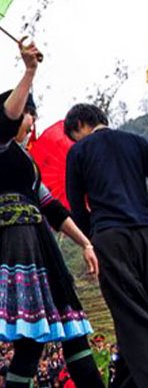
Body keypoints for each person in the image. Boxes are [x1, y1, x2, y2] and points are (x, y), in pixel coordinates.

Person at [0, 40, 104, 388]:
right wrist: (28, 72)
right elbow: (4, 122)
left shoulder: (27, 165)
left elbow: (52, 208)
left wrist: (86, 243)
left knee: (63, 340)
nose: (31, 121)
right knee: (32, 341)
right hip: (18, 247)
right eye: (30, 114)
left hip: (41, 247)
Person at [64, 103, 148, 387]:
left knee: (133, 318)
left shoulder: (79, 152)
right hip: (145, 232)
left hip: (110, 239)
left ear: (79, 126)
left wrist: (92, 241)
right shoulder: (136, 142)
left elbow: (77, 208)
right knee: (134, 317)